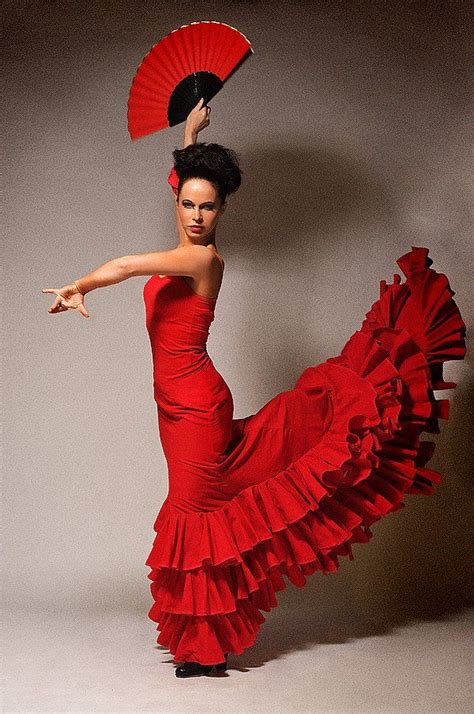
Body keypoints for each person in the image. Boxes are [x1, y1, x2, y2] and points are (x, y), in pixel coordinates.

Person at [42, 99, 467, 678]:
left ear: (221, 212)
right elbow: (182, 174)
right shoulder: (187, 216)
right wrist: (192, 131)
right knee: (199, 511)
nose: (196, 215)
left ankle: (203, 647)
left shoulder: (202, 260)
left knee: (198, 514)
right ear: (178, 200)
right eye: (188, 203)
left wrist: (79, 284)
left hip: (196, 405)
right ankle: (199, 637)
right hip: (173, 407)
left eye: (208, 207)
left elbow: (126, 266)